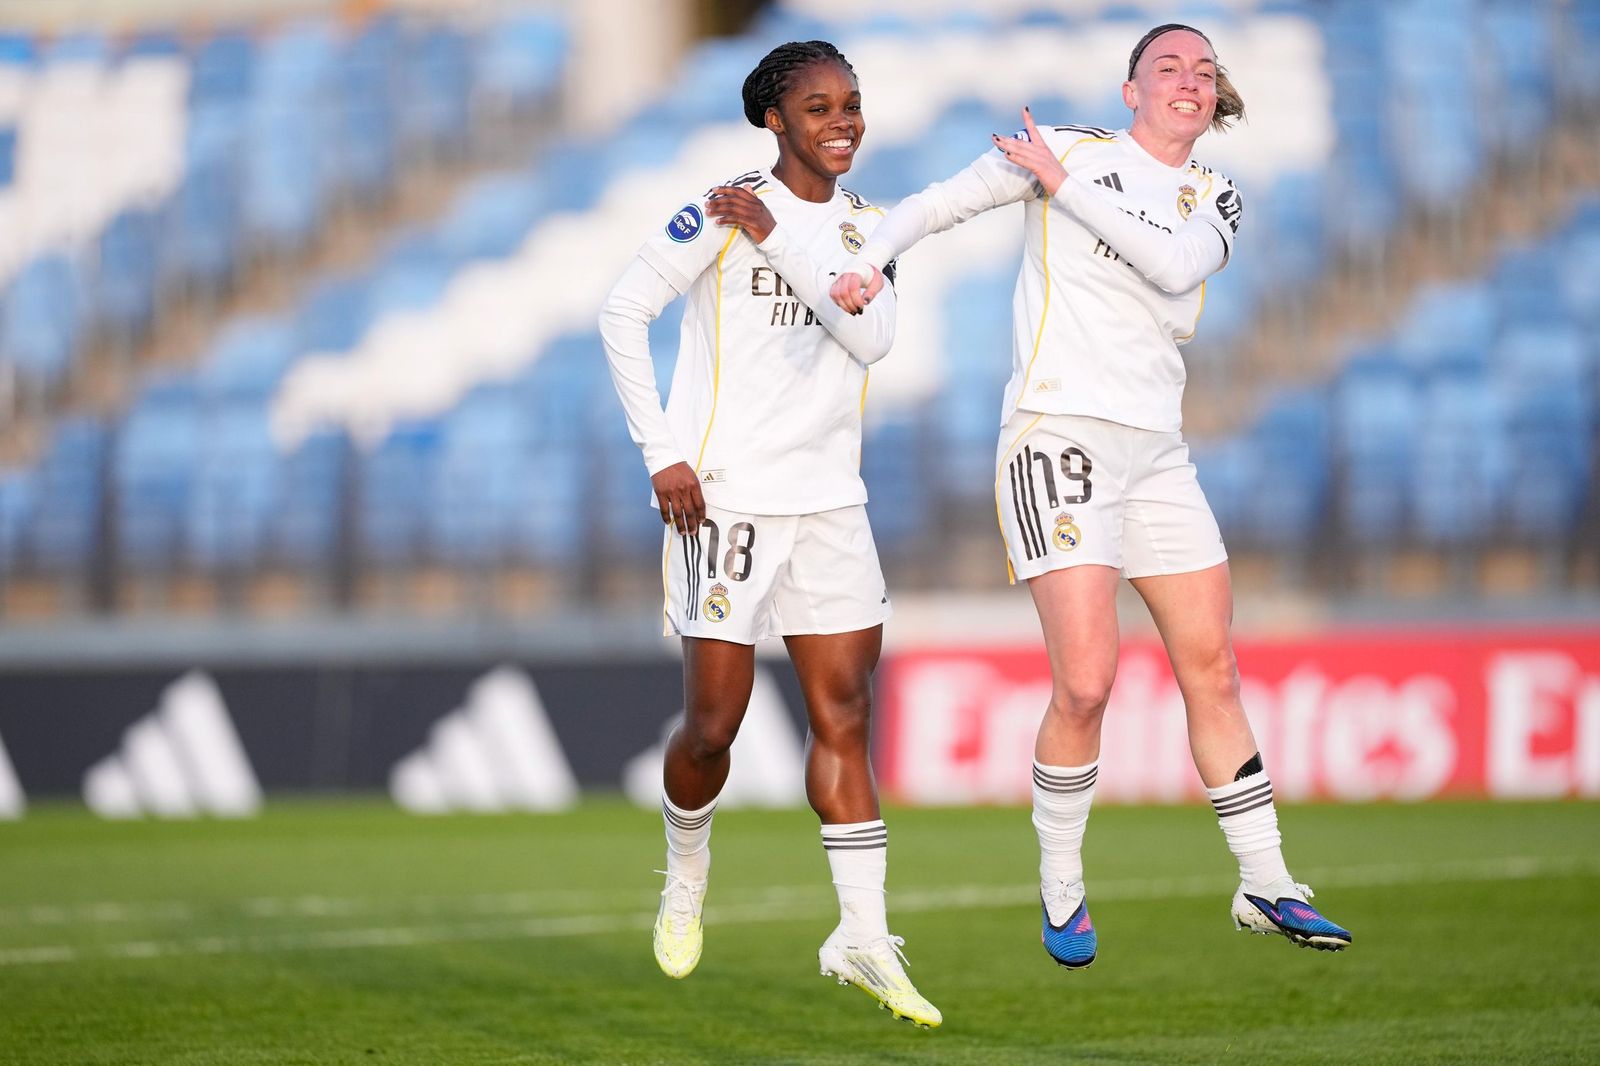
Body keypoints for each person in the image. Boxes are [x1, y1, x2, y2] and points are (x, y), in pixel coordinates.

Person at [831, 23, 1352, 968]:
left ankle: (1267, 882)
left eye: (1203, 71)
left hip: (1157, 451)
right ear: (1131, 90)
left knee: (1214, 667)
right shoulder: (1065, 151)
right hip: (1057, 434)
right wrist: (875, 258)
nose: (1189, 82)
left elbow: (1176, 266)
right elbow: (940, 203)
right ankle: (1063, 887)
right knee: (1087, 680)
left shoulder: (1215, 193)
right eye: (1169, 68)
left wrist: (1063, 189)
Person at [597, 41, 941, 1027]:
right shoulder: (719, 208)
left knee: (844, 715)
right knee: (714, 728)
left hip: (831, 505)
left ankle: (863, 938)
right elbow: (623, 312)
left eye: (851, 105)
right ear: (773, 120)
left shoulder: (870, 228)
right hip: (726, 501)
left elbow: (871, 338)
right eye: (819, 106)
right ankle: (685, 867)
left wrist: (789, 244)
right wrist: (661, 452)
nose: (842, 122)